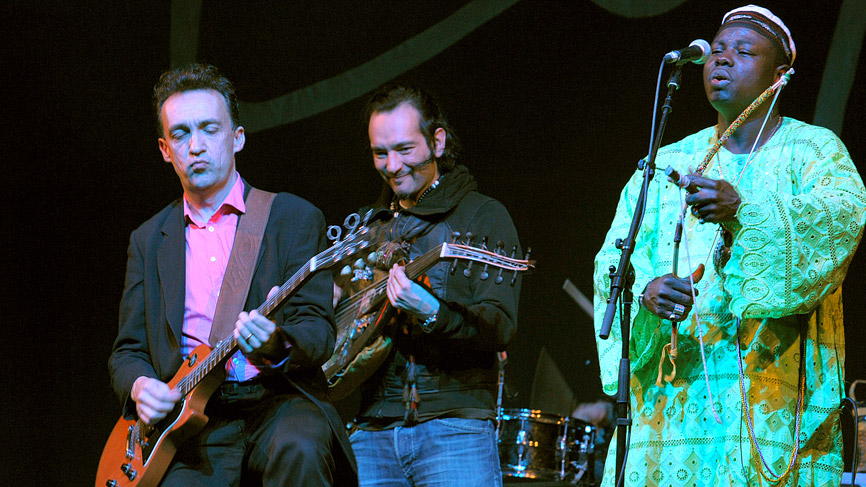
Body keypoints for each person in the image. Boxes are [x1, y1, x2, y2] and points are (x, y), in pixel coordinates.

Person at [593, 6, 866, 487]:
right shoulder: (665, 162)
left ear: (779, 75)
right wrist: (645, 293)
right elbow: (613, 259)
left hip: (771, 403)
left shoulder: (815, 151)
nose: (722, 61)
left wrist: (745, 208)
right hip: (672, 406)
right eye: (717, 50)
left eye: (744, 52)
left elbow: (839, 222)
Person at [107, 63, 356, 486]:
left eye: (210, 129)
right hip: (189, 420)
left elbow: (318, 330)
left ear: (237, 138)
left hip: (276, 400)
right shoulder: (148, 239)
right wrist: (140, 386)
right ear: (166, 150)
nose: (196, 146)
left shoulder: (292, 218)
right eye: (181, 134)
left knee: (302, 446)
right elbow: (127, 350)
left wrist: (276, 344)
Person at [345, 85, 522, 486]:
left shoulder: (483, 216)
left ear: (437, 142)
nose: (392, 165)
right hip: (372, 432)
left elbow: (500, 327)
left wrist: (430, 310)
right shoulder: (367, 227)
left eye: (404, 149)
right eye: (380, 153)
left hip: (456, 430)